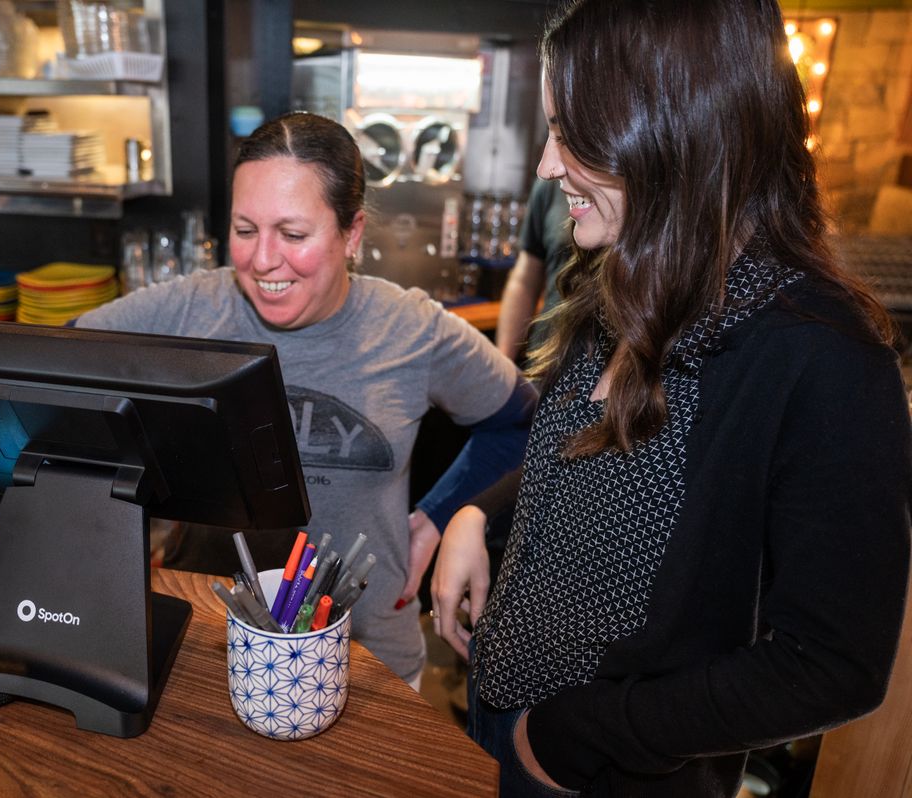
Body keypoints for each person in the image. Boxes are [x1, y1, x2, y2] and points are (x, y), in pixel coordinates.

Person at [430, 1, 912, 795]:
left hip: (600, 770)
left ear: (675, 129)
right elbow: (590, 458)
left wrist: (575, 737)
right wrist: (482, 514)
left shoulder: (825, 356)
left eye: (571, 134)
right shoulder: (620, 275)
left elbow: (830, 667)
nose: (548, 166)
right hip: (499, 718)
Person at [77, 111, 538, 688]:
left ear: (353, 234)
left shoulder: (412, 330)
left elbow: (521, 424)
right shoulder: (190, 309)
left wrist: (443, 515)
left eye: (293, 234)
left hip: (367, 660)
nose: (264, 259)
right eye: (245, 231)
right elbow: (50, 369)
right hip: (200, 650)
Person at [495, 177, 572, 364]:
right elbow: (524, 279)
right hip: (546, 357)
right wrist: (503, 364)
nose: (545, 168)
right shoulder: (552, 182)